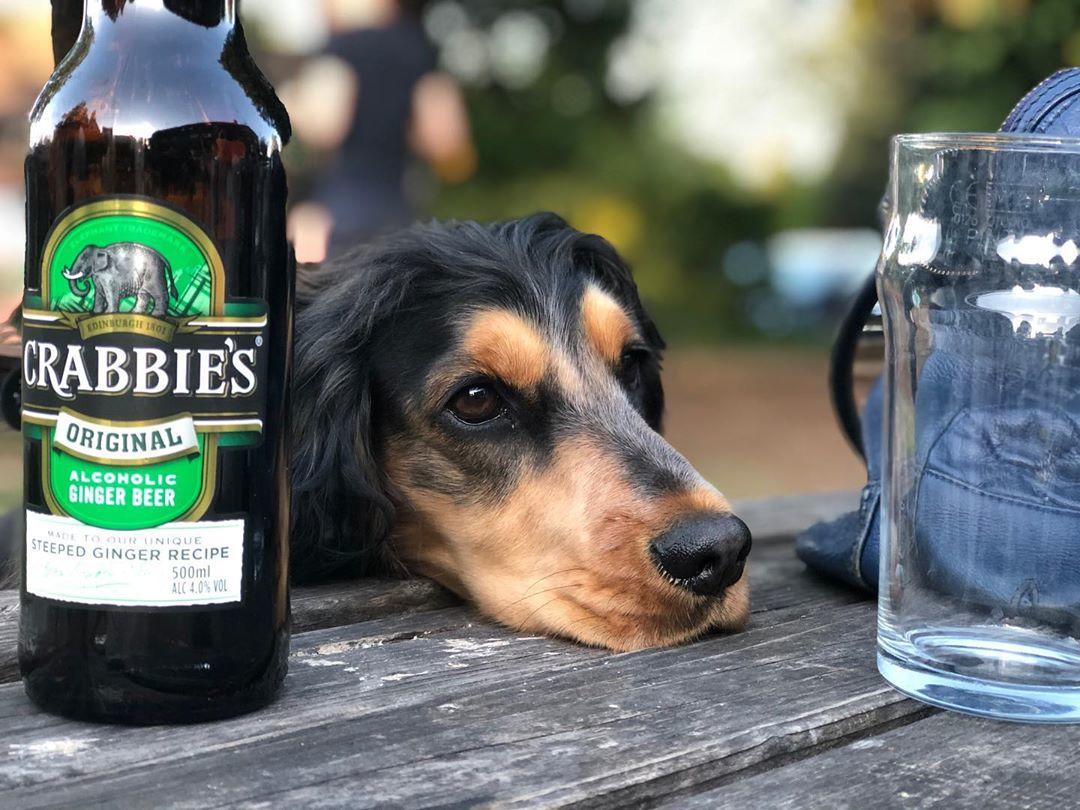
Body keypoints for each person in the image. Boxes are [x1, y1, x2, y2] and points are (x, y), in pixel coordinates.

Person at [285, 0, 475, 262]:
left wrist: (292, 103)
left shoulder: (342, 48)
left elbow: (326, 126)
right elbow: (445, 140)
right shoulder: (419, 49)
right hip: (402, 217)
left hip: (338, 218)